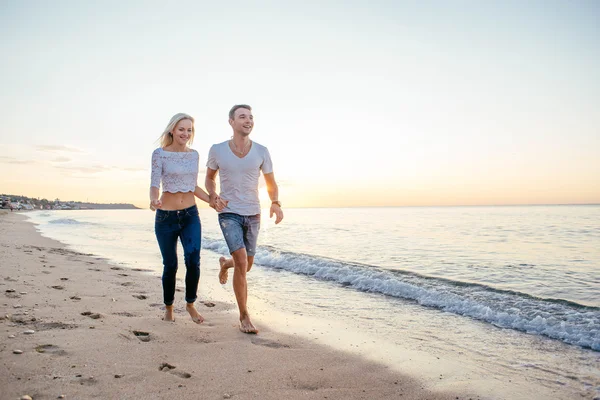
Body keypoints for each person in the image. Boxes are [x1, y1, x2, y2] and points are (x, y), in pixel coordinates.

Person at [205, 104, 284, 334]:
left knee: (246, 265)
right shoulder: (217, 150)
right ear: (231, 121)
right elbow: (209, 179)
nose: (248, 121)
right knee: (241, 261)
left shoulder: (261, 151)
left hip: (253, 212)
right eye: (242, 117)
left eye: (251, 117)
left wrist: (276, 203)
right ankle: (244, 316)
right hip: (228, 212)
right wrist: (212, 195)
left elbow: (271, 182)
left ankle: (224, 264)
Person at [150, 113, 227, 323]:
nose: (185, 133)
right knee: (170, 264)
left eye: (189, 130)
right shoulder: (159, 154)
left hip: (190, 216)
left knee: (193, 261)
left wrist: (212, 200)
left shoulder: (194, 155)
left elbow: (193, 186)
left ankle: (191, 304)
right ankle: (169, 308)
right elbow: (155, 183)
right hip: (165, 217)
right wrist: (153, 199)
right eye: (181, 129)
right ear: (172, 130)